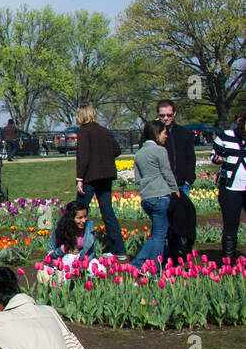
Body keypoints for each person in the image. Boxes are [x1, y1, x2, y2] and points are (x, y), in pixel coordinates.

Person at [74, 105, 127, 261]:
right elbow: (117, 150)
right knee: (108, 212)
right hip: (107, 176)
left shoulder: (84, 131)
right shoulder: (105, 131)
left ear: (82, 116)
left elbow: (83, 157)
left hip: (90, 177)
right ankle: (119, 250)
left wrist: (79, 179)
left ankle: (73, 246)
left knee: (78, 212)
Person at [131, 119, 178, 273]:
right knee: (159, 235)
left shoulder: (139, 154)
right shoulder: (159, 151)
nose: (166, 136)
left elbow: (138, 178)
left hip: (146, 197)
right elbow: (167, 172)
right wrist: (174, 188)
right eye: (164, 133)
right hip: (160, 195)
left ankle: (138, 263)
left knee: (159, 232)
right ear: (157, 133)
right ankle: (154, 269)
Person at [211, 113, 245, 264]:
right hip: (231, 188)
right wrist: (219, 158)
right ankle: (228, 261)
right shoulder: (226, 136)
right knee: (231, 224)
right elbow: (214, 156)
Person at [43, 200, 100, 277]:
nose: (83, 220)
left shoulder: (89, 227)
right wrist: (63, 249)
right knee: (70, 258)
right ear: (71, 218)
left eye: (85, 216)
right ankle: (65, 283)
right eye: (80, 218)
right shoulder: (60, 228)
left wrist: (80, 265)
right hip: (65, 260)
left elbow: (92, 252)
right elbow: (50, 253)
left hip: (83, 260)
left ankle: (86, 284)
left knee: (100, 269)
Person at [157, 100, 196, 197]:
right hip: (160, 186)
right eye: (162, 115)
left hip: (182, 184)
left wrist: (189, 179)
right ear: (157, 115)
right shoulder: (151, 134)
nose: (166, 118)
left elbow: (191, 157)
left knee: (182, 212)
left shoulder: (185, 133)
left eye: (169, 115)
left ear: (174, 114)